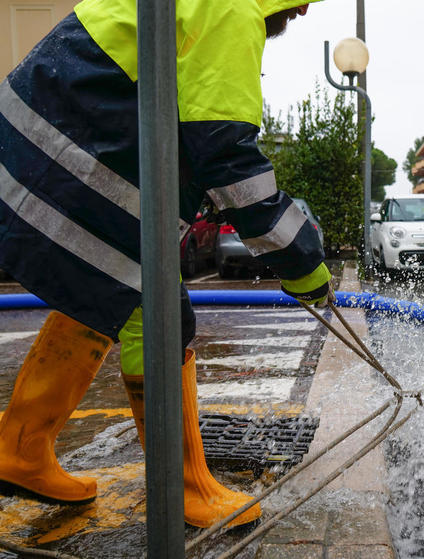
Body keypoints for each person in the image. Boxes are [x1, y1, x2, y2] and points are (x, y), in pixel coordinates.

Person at [0, 0, 330, 529]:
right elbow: (227, 159)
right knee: (155, 312)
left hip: (35, 149)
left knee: (103, 293)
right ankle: (183, 489)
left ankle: (20, 448)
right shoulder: (231, 11)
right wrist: (302, 263)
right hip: (58, 160)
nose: (307, 10)